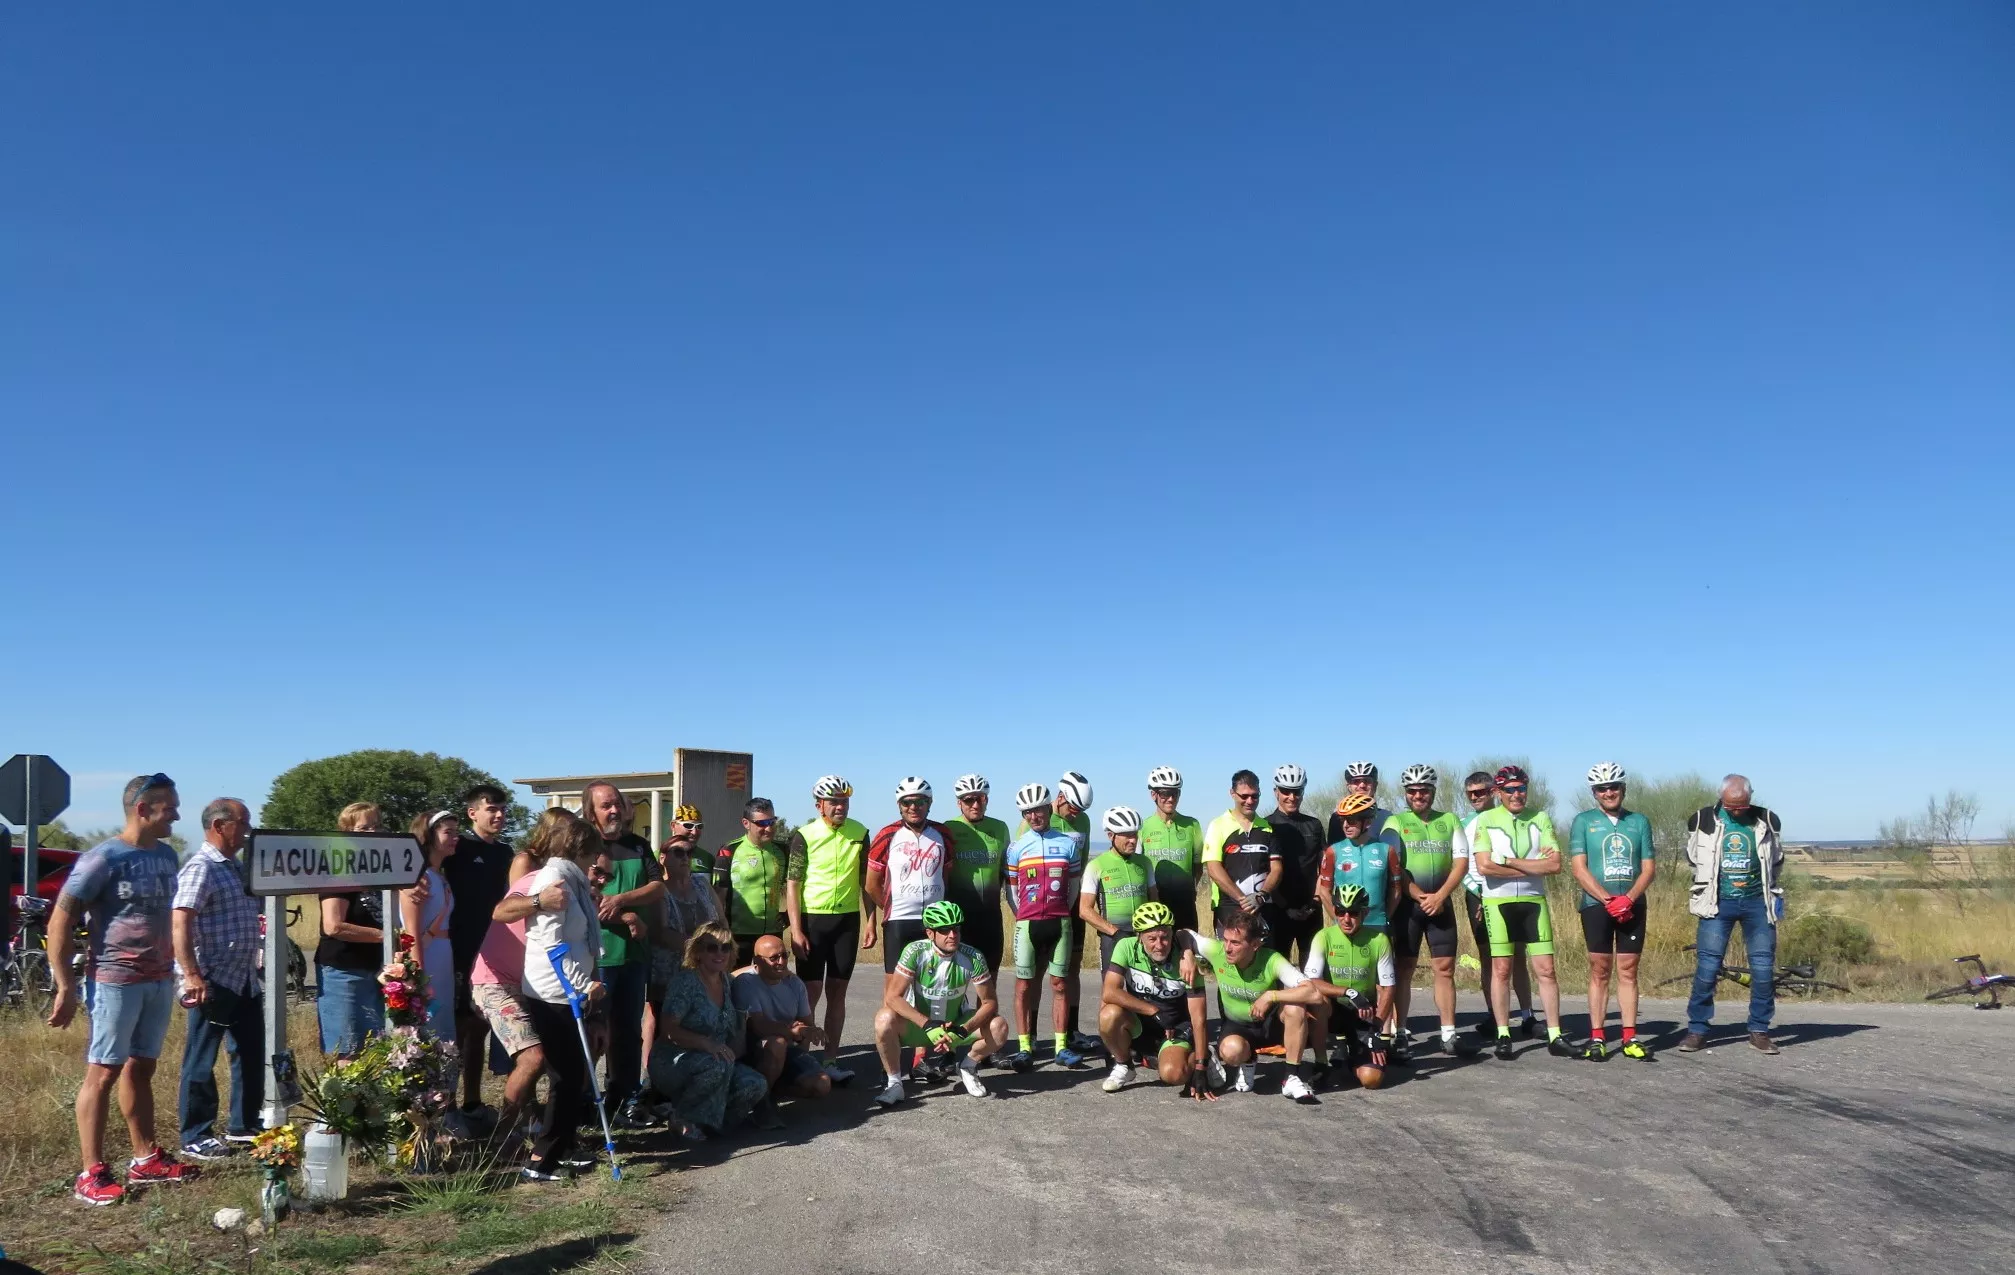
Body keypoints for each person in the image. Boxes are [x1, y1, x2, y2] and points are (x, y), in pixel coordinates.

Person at [47, 774, 198, 1205]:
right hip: (115, 979)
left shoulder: (167, 856)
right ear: (143, 810)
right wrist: (65, 985)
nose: (177, 815)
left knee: (142, 1067)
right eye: (170, 807)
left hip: (157, 978)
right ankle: (90, 1172)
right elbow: (61, 918)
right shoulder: (103, 858)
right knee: (104, 1071)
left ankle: (145, 1158)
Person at [474, 810, 579, 1147]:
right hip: (496, 979)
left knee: (561, 1051)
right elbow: (501, 911)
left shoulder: (575, 885)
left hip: (533, 980)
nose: (600, 875)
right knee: (532, 1057)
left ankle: (543, 1127)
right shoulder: (539, 877)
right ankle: (502, 1138)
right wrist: (538, 901)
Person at [171, 798, 264, 1161]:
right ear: (220, 826)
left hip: (244, 978)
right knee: (201, 1056)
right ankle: (195, 1133)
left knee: (249, 1052)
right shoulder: (202, 867)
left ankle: (243, 1125)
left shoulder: (236, 867)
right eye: (242, 822)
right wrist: (192, 974)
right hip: (213, 978)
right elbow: (181, 921)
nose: (247, 830)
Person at [519, 809, 605, 1181]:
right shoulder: (557, 882)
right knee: (566, 1077)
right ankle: (542, 1160)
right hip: (553, 993)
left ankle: (564, 1147)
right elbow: (552, 945)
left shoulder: (571, 880)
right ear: (580, 850)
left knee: (571, 1074)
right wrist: (583, 985)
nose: (593, 865)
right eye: (592, 856)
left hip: (566, 991)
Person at [1470, 766, 1572, 1060]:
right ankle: (1504, 1033)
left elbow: (1554, 865)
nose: (1517, 795)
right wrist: (1529, 867)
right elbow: (1485, 866)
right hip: (1497, 903)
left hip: (1533, 902)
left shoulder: (1540, 818)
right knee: (1501, 970)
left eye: (1521, 788)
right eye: (1510, 790)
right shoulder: (1486, 820)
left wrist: (1511, 862)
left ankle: (1554, 1034)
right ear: (1498, 792)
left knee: (1546, 970)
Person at [1680, 775, 1786, 1055]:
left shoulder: (1768, 819)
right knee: (1707, 968)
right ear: (1721, 798)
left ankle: (1760, 1030)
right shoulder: (1702, 819)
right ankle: (1697, 1030)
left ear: (1750, 799)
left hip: (1757, 903)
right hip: (1717, 903)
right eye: (1730, 806)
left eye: (1740, 806)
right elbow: (1692, 857)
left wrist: (1769, 891)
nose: (1735, 811)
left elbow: (1777, 860)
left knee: (1763, 970)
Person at [582, 781, 665, 1127]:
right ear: (591, 812)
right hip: (596, 958)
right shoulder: (584, 847)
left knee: (628, 1029)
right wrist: (626, 914)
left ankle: (625, 1097)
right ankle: (586, 1103)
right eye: (605, 806)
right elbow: (583, 893)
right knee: (594, 1033)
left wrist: (622, 901)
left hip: (634, 953)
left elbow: (657, 886)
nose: (614, 810)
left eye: (617, 804)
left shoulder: (638, 845)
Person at [870, 901, 1008, 1105]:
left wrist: (963, 1029)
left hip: (955, 1025)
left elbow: (989, 1003)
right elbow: (893, 997)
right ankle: (894, 1084)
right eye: (944, 930)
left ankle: (968, 1066)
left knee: (999, 1026)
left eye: (956, 928)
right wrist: (926, 1024)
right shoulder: (915, 952)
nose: (952, 935)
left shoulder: (973, 957)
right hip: (919, 1028)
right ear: (930, 933)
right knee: (883, 1018)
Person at [784, 776, 873, 1084]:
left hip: (847, 921)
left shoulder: (860, 832)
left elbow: (866, 882)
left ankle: (831, 1060)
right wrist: (796, 930)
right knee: (809, 993)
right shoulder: (804, 835)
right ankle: (799, 1061)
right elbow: (792, 884)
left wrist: (871, 919)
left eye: (844, 801)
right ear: (818, 805)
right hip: (812, 920)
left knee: (838, 992)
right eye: (834, 802)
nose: (840, 807)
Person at [1189, 908, 1325, 1103]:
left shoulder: (1271, 959)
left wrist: (1271, 995)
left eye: (1235, 943)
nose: (1227, 948)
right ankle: (1248, 1059)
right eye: (1225, 940)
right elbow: (1184, 934)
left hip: (1270, 1023)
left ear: (1254, 945)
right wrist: (1187, 955)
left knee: (1295, 1007)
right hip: (1238, 1026)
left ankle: (1291, 1077)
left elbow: (1314, 993)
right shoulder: (1217, 950)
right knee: (1230, 1052)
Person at [1569, 763, 1657, 1061]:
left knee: (1629, 971)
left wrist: (1629, 899)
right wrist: (1609, 900)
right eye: (1602, 788)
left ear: (1623, 788)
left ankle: (1630, 1037)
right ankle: (1597, 1036)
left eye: (1614, 786)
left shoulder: (1639, 821)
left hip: (1633, 904)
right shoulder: (1583, 821)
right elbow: (1579, 869)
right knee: (1600, 971)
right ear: (1594, 793)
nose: (1609, 792)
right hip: (1597, 905)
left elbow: (1648, 869)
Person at [649, 922, 770, 1137]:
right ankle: (682, 1117)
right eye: (712, 947)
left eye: (725, 947)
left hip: (715, 1058)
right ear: (697, 952)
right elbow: (668, 1030)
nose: (720, 953)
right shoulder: (686, 982)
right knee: (718, 1065)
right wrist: (705, 1043)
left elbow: (752, 974)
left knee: (756, 1084)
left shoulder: (727, 981)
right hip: (673, 1059)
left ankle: (713, 1125)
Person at [1386, 765, 1474, 1059]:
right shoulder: (1396, 822)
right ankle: (1400, 1035)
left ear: (1433, 791)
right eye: (1412, 791)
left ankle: (1449, 1034)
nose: (1418, 795)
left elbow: (1461, 861)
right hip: (1409, 907)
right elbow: (1394, 866)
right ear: (1406, 794)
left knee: (1445, 969)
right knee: (1404, 970)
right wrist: (1417, 894)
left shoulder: (1449, 820)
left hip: (1442, 903)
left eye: (1424, 790)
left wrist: (1440, 896)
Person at [1001, 782, 1086, 1070]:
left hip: (1059, 921)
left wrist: (1060, 910)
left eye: (1037, 810)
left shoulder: (1068, 843)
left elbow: (1073, 887)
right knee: (1024, 986)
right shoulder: (1016, 848)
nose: (1033, 817)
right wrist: (1022, 914)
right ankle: (1025, 1046)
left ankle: (1061, 1046)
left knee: (1059, 984)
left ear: (1048, 808)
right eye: (1027, 812)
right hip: (1028, 924)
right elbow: (1012, 891)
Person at [445, 783, 514, 1126]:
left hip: (491, 954)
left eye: (502, 809)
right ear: (473, 813)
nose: (499, 815)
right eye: (492, 810)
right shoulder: (456, 849)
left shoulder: (505, 854)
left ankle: (472, 1102)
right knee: (456, 1031)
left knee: (480, 1028)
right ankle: (446, 1106)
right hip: (458, 951)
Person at [1096, 901, 1212, 1098]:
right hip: (1141, 1022)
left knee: (1172, 1075)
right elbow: (1110, 992)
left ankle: (1206, 1055)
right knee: (1108, 1014)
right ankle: (1124, 1065)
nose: (1159, 945)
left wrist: (1200, 1067)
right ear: (1139, 937)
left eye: (1165, 937)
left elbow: (1199, 1018)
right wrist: (1153, 1010)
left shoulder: (1186, 963)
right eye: (1152, 938)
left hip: (1175, 1029)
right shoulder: (1126, 947)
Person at [1019, 772, 1098, 1056]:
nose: (1076, 815)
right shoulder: (1035, 819)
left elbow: (1083, 866)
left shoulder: (1084, 820)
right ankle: (1031, 1035)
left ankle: (1071, 1031)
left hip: (1071, 906)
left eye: (1082, 811)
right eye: (1073, 809)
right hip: (1041, 910)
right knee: (1039, 972)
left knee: (1069, 971)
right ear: (1060, 798)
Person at [1459, 773, 1535, 1039]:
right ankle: (1495, 1015)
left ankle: (1527, 1015)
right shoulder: (1464, 824)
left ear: (1493, 791)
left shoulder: (1509, 816)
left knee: (1517, 957)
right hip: (1477, 894)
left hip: (1509, 893)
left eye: (1480, 792)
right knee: (1487, 958)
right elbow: (1462, 864)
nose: (1474, 798)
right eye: (1469, 794)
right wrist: (1480, 893)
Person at [315, 802, 391, 1058]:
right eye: (364, 827)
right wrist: (387, 937)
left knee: (378, 1048)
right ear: (347, 833)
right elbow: (334, 926)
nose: (373, 832)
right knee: (348, 1051)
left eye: (377, 826)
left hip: (377, 969)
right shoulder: (339, 869)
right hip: (344, 970)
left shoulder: (381, 868)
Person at [1302, 884, 1397, 1090]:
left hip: (1362, 1015)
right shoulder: (1324, 937)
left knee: (1371, 1080)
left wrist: (1377, 1029)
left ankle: (1349, 1059)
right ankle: (1321, 1063)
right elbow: (1312, 981)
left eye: (1353, 913)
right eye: (1340, 911)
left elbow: (1388, 987)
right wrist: (1349, 991)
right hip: (1332, 1010)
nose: (1346, 919)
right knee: (1317, 1000)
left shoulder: (1379, 940)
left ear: (1365, 912)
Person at [732, 935, 832, 1111]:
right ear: (757, 961)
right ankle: (762, 1104)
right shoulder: (746, 982)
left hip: (788, 1049)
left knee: (822, 1085)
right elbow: (759, 1026)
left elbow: (807, 1023)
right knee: (776, 1043)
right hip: (754, 1051)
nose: (782, 961)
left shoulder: (795, 984)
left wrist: (811, 1031)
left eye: (784, 955)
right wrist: (794, 1031)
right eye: (774, 958)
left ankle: (774, 1091)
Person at [865, 777, 951, 970]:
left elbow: (946, 875)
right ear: (899, 805)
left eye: (920, 801)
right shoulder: (887, 835)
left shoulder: (943, 833)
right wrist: (889, 905)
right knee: (894, 988)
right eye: (907, 802)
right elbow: (871, 884)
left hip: (936, 919)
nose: (913, 807)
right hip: (899, 920)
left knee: (932, 983)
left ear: (929, 803)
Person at [941, 775, 1010, 977]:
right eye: (968, 800)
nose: (975, 804)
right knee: (957, 977)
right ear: (959, 803)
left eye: (980, 798)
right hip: (959, 916)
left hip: (990, 914)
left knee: (990, 976)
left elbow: (1006, 871)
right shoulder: (949, 828)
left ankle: (987, 1010)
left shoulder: (1000, 828)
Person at [401, 811, 460, 1045]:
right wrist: (419, 976)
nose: (456, 837)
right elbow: (411, 931)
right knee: (427, 1027)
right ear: (428, 835)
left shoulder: (439, 875)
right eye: (448, 832)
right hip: (428, 955)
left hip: (443, 954)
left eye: (457, 832)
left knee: (443, 1026)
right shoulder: (419, 877)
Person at [1261, 764, 1326, 964]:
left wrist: (1316, 901)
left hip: (1311, 909)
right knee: (1278, 972)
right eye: (1285, 791)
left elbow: (1324, 868)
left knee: (1314, 973)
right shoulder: (1265, 825)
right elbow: (1264, 871)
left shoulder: (1314, 825)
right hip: (1278, 910)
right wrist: (1285, 906)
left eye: (1297, 791)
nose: (1291, 797)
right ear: (1275, 792)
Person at [1202, 771, 1280, 932]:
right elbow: (1213, 868)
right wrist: (1242, 899)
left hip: (1262, 905)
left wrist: (1261, 895)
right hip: (1229, 906)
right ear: (1232, 793)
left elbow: (1277, 868)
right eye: (1244, 796)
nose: (1249, 801)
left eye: (1254, 796)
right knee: (1231, 956)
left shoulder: (1267, 827)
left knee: (1263, 956)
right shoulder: (1218, 825)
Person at [715, 798, 787, 966]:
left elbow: (795, 887)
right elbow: (718, 895)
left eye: (772, 821)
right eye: (762, 823)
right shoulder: (729, 850)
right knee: (737, 984)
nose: (768, 828)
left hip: (772, 932)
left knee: (770, 985)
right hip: (738, 934)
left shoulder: (783, 850)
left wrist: (788, 916)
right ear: (746, 823)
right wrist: (722, 930)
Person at [1317, 795, 1402, 939]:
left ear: (1367, 822)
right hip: (1345, 924)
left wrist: (1385, 916)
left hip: (1378, 924)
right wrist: (1338, 919)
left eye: (1351, 820)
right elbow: (1324, 890)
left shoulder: (1387, 851)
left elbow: (1396, 891)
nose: (1345, 825)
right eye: (1342, 820)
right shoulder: (1333, 851)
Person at [1079, 806, 1153, 968]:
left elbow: (1154, 899)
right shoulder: (1096, 865)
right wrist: (1115, 932)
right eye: (1126, 835)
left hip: (1144, 934)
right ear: (1110, 835)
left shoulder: (1145, 863)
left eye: (1134, 834)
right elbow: (1085, 910)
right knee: (1112, 989)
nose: (1133, 840)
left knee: (1144, 988)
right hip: (1112, 937)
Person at [1139, 767, 1204, 935]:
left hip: (1185, 901)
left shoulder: (1192, 825)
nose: (1171, 799)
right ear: (1153, 795)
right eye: (1165, 794)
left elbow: (1198, 865)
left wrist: (1190, 889)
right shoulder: (1143, 827)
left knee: (1187, 951)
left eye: (1175, 793)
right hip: (1155, 903)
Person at [1325, 761, 1396, 846]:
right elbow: (1333, 853)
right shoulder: (1337, 817)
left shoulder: (1387, 817)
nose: (1362, 785)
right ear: (1349, 786)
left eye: (1367, 781)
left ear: (1375, 785)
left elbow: (1393, 854)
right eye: (1356, 781)